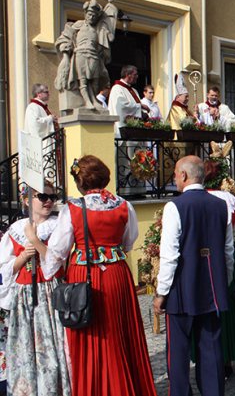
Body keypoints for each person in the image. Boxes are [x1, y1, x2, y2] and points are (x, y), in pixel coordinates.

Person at [25, 155, 156, 396]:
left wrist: (37, 246)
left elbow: (57, 253)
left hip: (84, 275)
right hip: (117, 275)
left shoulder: (73, 208)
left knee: (90, 333)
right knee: (119, 333)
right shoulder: (124, 205)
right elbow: (128, 242)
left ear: (80, 182)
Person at [154, 156, 234, 396]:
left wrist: (161, 292)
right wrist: (224, 282)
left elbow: (169, 254)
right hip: (212, 286)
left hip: (182, 288)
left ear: (185, 176)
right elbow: (227, 250)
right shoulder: (221, 205)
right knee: (210, 345)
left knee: (177, 350)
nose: (175, 178)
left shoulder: (175, 206)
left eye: (176, 173)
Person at [0, 184, 71, 395]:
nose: (48, 200)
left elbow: (61, 262)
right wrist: (22, 257)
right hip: (24, 295)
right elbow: (3, 270)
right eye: (42, 196)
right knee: (25, 346)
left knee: (53, 347)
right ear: (26, 200)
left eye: (52, 196)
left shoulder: (58, 226)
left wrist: (36, 242)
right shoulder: (16, 230)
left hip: (51, 292)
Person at [203, 159, 235, 376]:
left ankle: (206, 357)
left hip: (203, 257)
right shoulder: (229, 199)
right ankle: (228, 357)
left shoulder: (196, 199)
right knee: (229, 306)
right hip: (227, 253)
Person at [54, 0, 117, 109]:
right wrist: (65, 51)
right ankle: (87, 101)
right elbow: (65, 37)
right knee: (83, 80)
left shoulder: (98, 29)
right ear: (85, 14)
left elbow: (107, 39)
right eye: (89, 14)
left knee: (95, 81)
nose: (91, 17)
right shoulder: (78, 25)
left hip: (94, 56)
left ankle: (94, 100)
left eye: (94, 15)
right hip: (80, 54)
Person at [108, 65, 143, 137]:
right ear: (128, 75)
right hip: (123, 129)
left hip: (136, 130)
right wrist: (140, 106)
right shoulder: (117, 88)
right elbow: (122, 106)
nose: (137, 77)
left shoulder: (134, 90)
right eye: (135, 74)